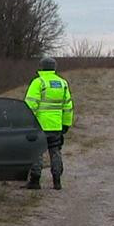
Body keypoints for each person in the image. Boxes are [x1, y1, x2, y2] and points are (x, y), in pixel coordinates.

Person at [24, 56, 74, 189]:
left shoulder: (38, 82)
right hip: (56, 126)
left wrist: (26, 122)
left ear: (41, 67)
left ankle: (35, 181)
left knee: (36, 152)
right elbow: (68, 107)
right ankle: (57, 181)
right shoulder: (62, 83)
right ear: (54, 68)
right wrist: (66, 124)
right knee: (55, 152)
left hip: (38, 125)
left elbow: (30, 105)